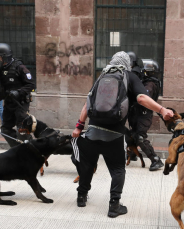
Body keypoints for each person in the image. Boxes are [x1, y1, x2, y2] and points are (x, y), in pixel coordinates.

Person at [71, 51, 174, 218]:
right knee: (118, 169)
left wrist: (79, 126)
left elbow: (87, 102)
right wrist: (162, 110)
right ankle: (114, 205)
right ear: (128, 64)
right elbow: (141, 98)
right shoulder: (129, 76)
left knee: (88, 166)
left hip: (92, 130)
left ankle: (81, 197)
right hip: (114, 133)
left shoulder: (102, 76)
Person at [0, 43, 36, 147]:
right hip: (9, 103)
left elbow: (31, 84)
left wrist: (18, 92)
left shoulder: (19, 67)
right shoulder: (0, 70)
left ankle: (31, 149)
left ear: (5, 56)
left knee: (22, 130)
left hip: (21, 102)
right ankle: (17, 149)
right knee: (5, 130)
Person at [128, 59, 164, 171]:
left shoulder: (150, 84)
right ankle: (132, 155)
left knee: (140, 137)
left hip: (144, 115)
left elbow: (143, 97)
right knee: (132, 134)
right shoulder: (146, 82)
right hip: (137, 114)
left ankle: (156, 159)